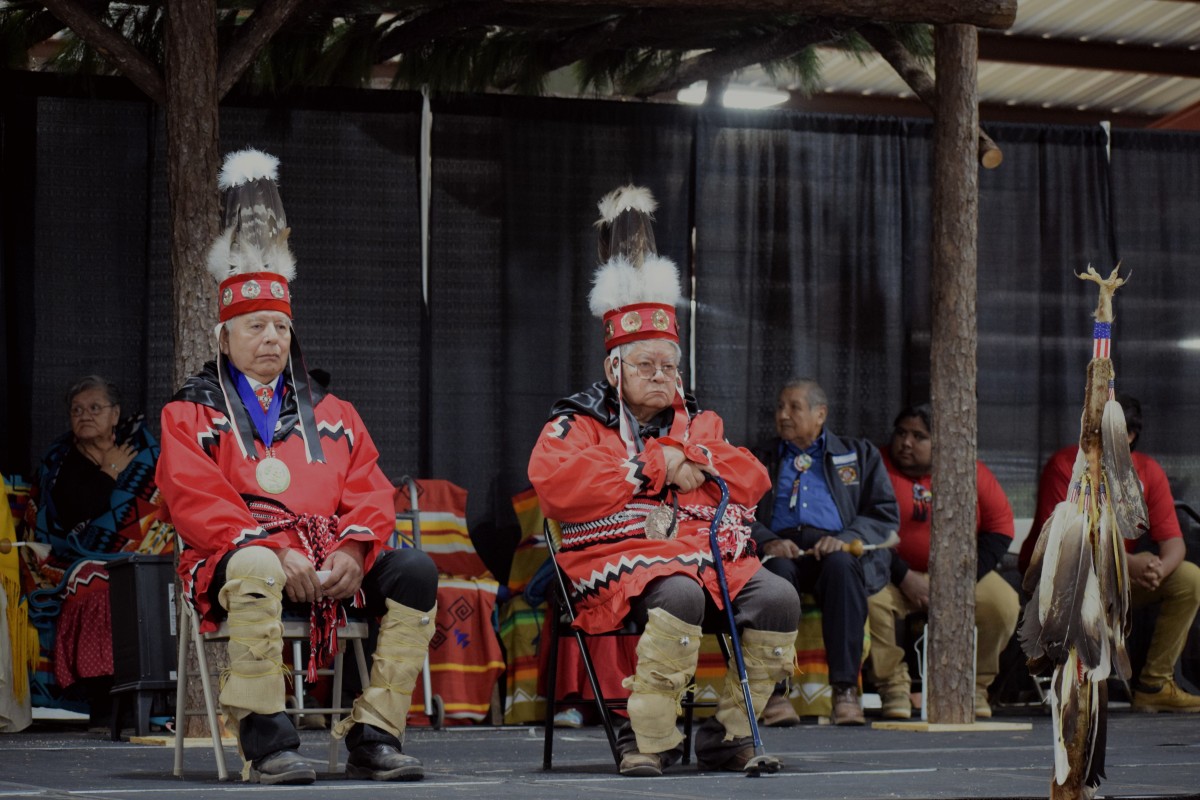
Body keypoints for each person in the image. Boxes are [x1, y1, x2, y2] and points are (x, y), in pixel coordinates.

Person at [157, 149, 439, 785]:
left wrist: (355, 552)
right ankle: (271, 745)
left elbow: (370, 489)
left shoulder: (334, 411)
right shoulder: (190, 412)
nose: (272, 340)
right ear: (224, 338)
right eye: (255, 326)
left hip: (331, 555)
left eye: (281, 327)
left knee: (416, 569)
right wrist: (278, 548)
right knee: (255, 563)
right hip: (242, 557)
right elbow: (196, 501)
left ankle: (376, 734)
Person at [528, 185, 800, 777]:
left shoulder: (698, 421)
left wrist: (689, 453)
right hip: (616, 557)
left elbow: (752, 480)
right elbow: (557, 486)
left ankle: (728, 732)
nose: (660, 376)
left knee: (778, 595)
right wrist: (656, 467)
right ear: (614, 368)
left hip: (701, 555)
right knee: (676, 593)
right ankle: (646, 737)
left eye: (669, 366)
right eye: (646, 365)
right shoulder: (575, 420)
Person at [1019, 394, 1200, 713]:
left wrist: (1157, 568)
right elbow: (1062, 541)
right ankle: (1073, 686)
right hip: (1062, 575)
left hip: (1117, 581)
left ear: (1130, 435)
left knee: (1188, 577)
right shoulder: (1067, 465)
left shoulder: (1148, 471)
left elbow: (1174, 542)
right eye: (1091, 428)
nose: (1094, 437)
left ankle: (1154, 684)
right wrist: (1129, 564)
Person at [750, 379, 899, 726]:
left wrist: (847, 537)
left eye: (794, 407)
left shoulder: (858, 454)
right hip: (781, 549)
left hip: (831, 549)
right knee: (777, 575)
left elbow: (884, 513)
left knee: (843, 567)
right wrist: (767, 540)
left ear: (820, 414)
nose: (783, 415)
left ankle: (845, 691)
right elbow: (735, 512)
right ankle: (775, 693)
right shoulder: (759, 458)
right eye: (780, 407)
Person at [22, 375, 169, 725]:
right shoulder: (59, 462)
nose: (85, 415)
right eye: (77, 410)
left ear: (115, 414)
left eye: (94, 408)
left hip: (146, 551)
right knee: (96, 582)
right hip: (71, 556)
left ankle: (153, 701)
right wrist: (109, 472)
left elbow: (163, 505)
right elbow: (70, 516)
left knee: (149, 579)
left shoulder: (145, 451)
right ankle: (107, 703)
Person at [868, 403, 1019, 719]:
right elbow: (862, 527)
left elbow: (1000, 530)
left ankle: (974, 687)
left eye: (919, 436)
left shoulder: (968, 468)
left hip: (958, 575)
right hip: (892, 574)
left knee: (1002, 604)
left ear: (943, 442)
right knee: (868, 599)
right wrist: (905, 576)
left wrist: (959, 580)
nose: (906, 442)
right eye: (901, 433)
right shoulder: (874, 464)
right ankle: (893, 687)